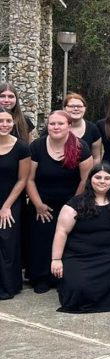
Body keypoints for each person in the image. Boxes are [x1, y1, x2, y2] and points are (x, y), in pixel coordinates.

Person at [50, 163, 110, 313]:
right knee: (79, 287)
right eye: (98, 177)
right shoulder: (75, 204)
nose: (102, 181)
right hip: (80, 257)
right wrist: (56, 259)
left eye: (107, 178)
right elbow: (61, 232)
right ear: (90, 179)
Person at [26, 111, 93, 293]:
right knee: (41, 239)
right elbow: (29, 179)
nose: (56, 127)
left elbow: (85, 180)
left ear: (69, 125)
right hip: (42, 204)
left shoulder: (81, 147)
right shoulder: (37, 146)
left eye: (60, 124)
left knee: (69, 240)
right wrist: (38, 205)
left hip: (71, 203)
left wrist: (72, 206)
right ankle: (41, 277)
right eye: (52, 124)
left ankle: (63, 276)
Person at [0, 110, 30, 299]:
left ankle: (8, 287)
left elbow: (22, 179)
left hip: (11, 200)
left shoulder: (21, 147)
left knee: (8, 243)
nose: (4, 124)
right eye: (1, 121)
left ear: (13, 123)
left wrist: (6, 206)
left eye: (8, 121)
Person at [63, 93, 102, 161]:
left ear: (85, 108)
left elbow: (96, 158)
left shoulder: (93, 129)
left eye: (79, 106)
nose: (75, 109)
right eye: (71, 106)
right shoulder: (54, 128)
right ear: (64, 108)